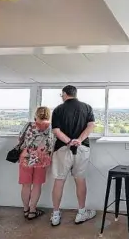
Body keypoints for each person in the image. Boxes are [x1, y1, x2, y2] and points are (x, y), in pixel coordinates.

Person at [50, 85, 96, 226]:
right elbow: (91, 126)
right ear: (75, 94)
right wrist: (79, 141)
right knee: (80, 180)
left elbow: (56, 131)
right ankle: (81, 213)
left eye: (61, 95)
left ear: (65, 94)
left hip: (62, 148)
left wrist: (69, 141)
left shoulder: (58, 109)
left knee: (59, 180)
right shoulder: (87, 107)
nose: (61, 97)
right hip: (82, 148)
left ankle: (56, 215)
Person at [18, 106, 54, 220]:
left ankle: (25, 210)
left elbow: (20, 139)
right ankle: (32, 211)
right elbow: (51, 144)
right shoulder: (50, 127)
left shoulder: (29, 125)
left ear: (36, 114)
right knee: (37, 185)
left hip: (26, 158)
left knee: (26, 185)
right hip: (41, 159)